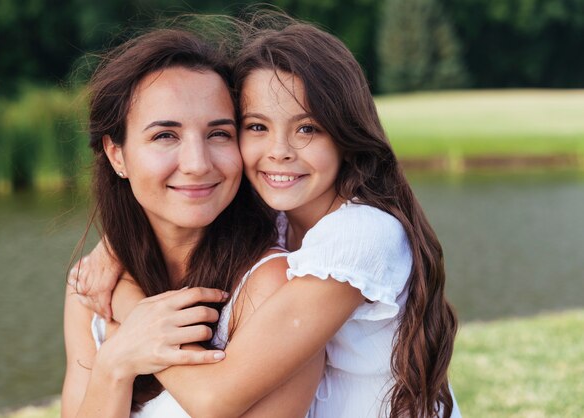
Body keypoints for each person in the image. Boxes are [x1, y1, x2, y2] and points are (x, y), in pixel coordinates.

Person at [75, 14, 461, 418]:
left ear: (346, 135)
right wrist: (114, 248)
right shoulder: (280, 213)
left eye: (308, 129)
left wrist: (134, 310)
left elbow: (213, 399)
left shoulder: (361, 234)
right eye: (257, 126)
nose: (279, 151)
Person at [61, 27, 324, 418]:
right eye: (166, 135)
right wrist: (114, 366)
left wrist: (132, 312)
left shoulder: (272, 287)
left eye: (219, 133)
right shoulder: (92, 289)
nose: (198, 164)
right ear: (117, 155)